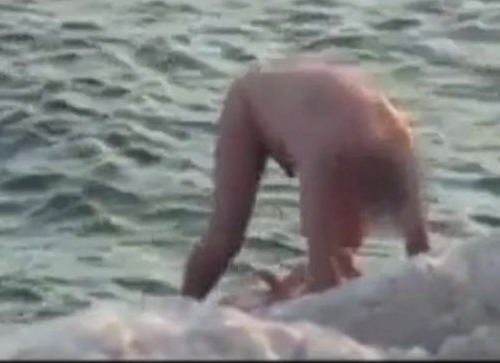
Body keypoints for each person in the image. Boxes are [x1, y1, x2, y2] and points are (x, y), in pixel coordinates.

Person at [180, 60, 431, 301]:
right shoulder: (325, 153)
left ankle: (290, 285)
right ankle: (183, 309)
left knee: (343, 253)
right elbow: (324, 280)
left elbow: (421, 254)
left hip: (326, 107)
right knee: (224, 238)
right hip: (250, 106)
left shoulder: (399, 143)